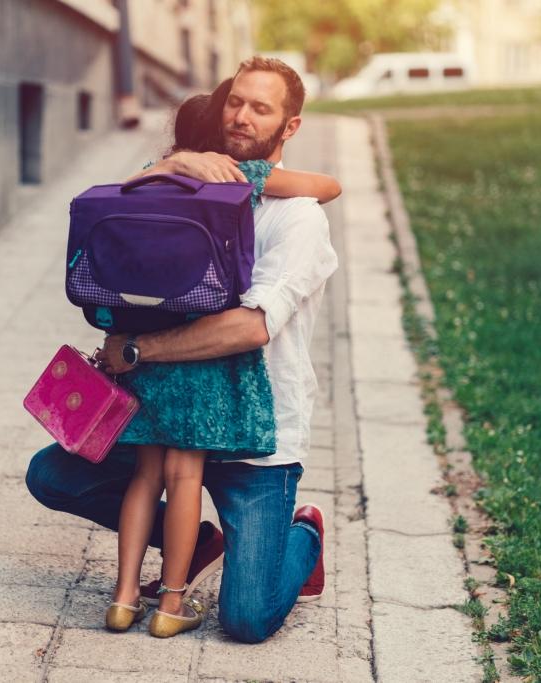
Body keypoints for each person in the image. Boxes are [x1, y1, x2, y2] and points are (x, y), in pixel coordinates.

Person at [27, 56, 339, 643]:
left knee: (246, 619)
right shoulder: (181, 183)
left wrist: (138, 351)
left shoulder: (297, 220)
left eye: (261, 108)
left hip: (257, 439)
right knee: (52, 475)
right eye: (236, 101)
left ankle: (303, 537)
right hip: (169, 412)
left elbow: (249, 328)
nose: (242, 116)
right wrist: (172, 164)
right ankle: (193, 541)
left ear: (289, 126)